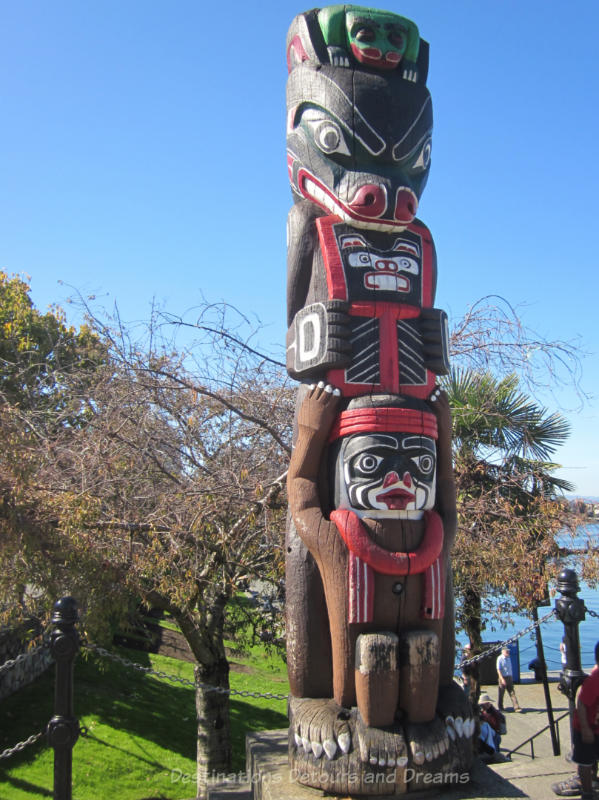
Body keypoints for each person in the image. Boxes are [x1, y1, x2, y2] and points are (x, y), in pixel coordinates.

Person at [552, 641, 599, 800]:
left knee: (588, 759)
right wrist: (585, 729)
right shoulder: (595, 680)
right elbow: (582, 704)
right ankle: (587, 792)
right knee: (585, 762)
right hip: (586, 727)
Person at [478, 692, 506, 757]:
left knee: (495, 753)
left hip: (495, 735)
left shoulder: (493, 713)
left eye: (483, 704)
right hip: (490, 735)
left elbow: (495, 725)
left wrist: (484, 718)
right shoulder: (484, 711)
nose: (482, 706)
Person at [496, 647, 522, 712]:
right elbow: (498, 670)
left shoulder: (508, 658)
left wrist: (511, 677)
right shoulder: (500, 658)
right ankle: (500, 707)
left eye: (508, 651)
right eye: (506, 651)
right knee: (501, 693)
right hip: (503, 677)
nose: (508, 652)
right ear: (502, 652)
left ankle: (516, 707)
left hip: (509, 677)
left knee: (512, 692)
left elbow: (509, 669)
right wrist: (502, 679)